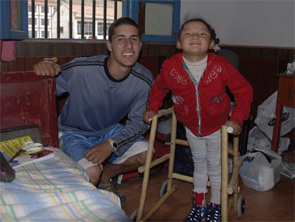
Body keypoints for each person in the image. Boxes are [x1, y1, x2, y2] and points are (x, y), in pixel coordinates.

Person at [143, 18, 253, 222]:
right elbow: (158, 89)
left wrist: (237, 118)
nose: (195, 36)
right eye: (188, 33)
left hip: (218, 128)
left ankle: (216, 205)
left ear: (212, 44)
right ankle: (199, 204)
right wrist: (152, 107)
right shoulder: (170, 67)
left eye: (202, 33)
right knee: (199, 165)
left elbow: (244, 92)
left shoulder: (221, 66)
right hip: (191, 127)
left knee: (215, 166)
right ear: (178, 44)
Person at [34, 17, 154, 194]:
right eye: (120, 39)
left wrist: (110, 144)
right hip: (72, 132)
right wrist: (45, 67)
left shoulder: (144, 80)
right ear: (109, 45)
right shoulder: (82, 69)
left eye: (134, 39)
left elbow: (138, 123)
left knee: (147, 153)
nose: (129, 45)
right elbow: (44, 88)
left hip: (108, 130)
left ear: (140, 45)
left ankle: (108, 175)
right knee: (91, 173)